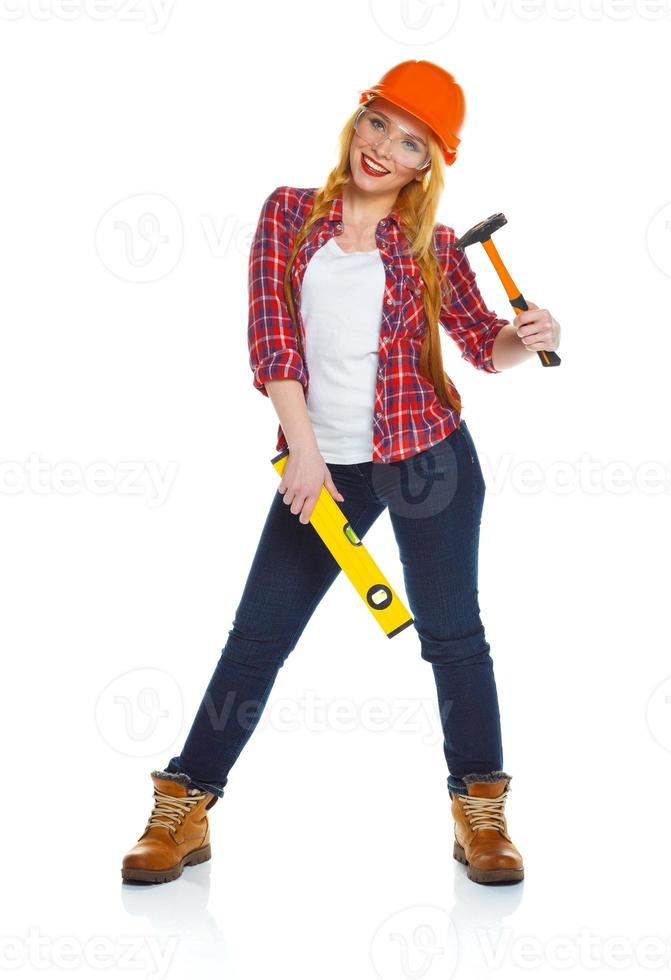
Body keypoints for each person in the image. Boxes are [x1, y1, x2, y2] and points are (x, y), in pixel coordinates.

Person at [121, 60, 561, 887]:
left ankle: (480, 813)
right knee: (257, 638)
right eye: (377, 122)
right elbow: (272, 342)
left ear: (427, 163)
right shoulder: (288, 214)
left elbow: (481, 346)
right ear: (356, 120)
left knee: (452, 637)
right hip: (321, 466)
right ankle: (183, 806)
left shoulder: (429, 246)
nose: (382, 147)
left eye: (408, 140)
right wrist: (307, 454)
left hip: (429, 458)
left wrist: (526, 336)